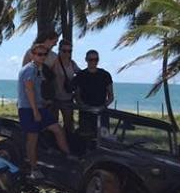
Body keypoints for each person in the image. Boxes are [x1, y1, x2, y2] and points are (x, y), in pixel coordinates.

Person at [18, 43, 74, 179]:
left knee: (57, 129)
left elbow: (36, 91)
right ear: (32, 55)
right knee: (33, 139)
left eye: (44, 54)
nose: (42, 57)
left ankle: (69, 157)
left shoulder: (39, 69)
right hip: (28, 109)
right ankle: (34, 169)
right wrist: (36, 112)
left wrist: (43, 102)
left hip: (39, 106)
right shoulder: (29, 70)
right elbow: (29, 90)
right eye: (39, 54)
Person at [74, 50, 114, 134]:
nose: (93, 62)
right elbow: (77, 95)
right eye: (90, 59)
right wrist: (84, 106)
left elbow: (111, 96)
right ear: (86, 60)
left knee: (103, 138)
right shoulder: (81, 75)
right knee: (85, 137)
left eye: (95, 59)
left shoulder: (105, 75)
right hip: (85, 112)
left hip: (101, 112)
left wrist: (103, 107)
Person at [53, 40, 80, 135]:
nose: (67, 53)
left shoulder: (72, 64)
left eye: (69, 51)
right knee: (53, 124)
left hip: (67, 99)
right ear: (59, 50)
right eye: (64, 51)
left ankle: (67, 144)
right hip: (54, 99)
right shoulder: (54, 62)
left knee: (68, 125)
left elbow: (81, 75)